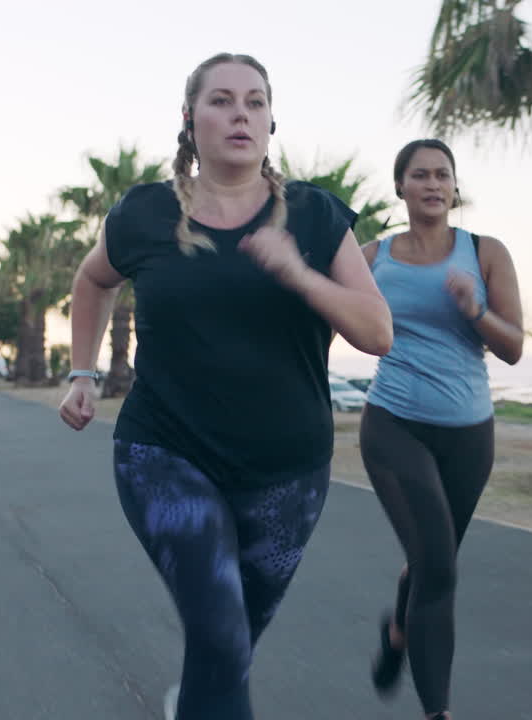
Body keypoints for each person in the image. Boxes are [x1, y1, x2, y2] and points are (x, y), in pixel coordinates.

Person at [57, 52, 392, 720]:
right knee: (220, 632)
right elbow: (93, 280)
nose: (241, 112)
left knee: (231, 643)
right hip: (164, 453)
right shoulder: (143, 214)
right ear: (190, 120)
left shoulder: (318, 219)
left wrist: (299, 274)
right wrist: (82, 371)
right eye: (222, 100)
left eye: (256, 101)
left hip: (288, 470)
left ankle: (197, 702)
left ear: (270, 121)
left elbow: (377, 332)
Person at [360, 139, 524, 720]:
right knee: (440, 567)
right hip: (394, 425)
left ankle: (400, 636)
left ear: (455, 187)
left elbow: (513, 350)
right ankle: (439, 711)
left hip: (469, 434)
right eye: (421, 175)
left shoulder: (484, 253)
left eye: (443, 175)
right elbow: (334, 321)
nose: (433, 184)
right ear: (400, 186)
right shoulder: (371, 257)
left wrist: (474, 311)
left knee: (431, 561)